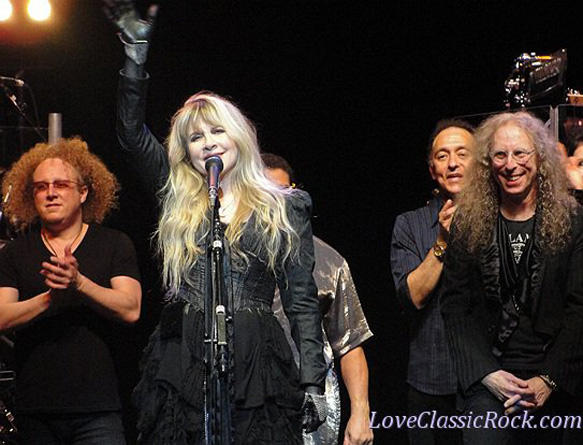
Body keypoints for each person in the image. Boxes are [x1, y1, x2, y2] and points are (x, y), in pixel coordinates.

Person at [104, 1, 327, 443]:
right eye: (196, 137)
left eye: (217, 132)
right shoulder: (177, 193)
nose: (208, 144)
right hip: (183, 351)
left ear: (238, 137)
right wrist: (134, 58)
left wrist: (312, 382)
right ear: (185, 150)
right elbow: (130, 137)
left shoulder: (285, 206)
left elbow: (301, 299)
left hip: (255, 357)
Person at [440, 111, 583, 444]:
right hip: (490, 378)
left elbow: (580, 307)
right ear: (488, 163)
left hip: (554, 377)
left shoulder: (574, 221)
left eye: (520, 153)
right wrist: (487, 374)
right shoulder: (469, 223)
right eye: (500, 155)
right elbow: (455, 308)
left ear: (539, 158)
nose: (510, 164)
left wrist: (548, 379)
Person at [0, 137, 142, 444]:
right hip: (36, 410)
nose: (50, 193)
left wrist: (79, 284)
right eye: (41, 186)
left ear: (83, 192)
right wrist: (50, 299)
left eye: (61, 184)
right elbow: (1, 316)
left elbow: (131, 309)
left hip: (98, 410)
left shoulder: (114, 244)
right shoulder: (14, 253)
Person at [262, 153, 374, 445]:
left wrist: (360, 412)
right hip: (252, 398)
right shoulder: (234, 258)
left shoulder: (329, 261)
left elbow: (349, 342)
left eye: (284, 194)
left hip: (312, 403)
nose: (277, 204)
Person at [390, 119, 475, 445]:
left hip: (489, 381)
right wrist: (442, 240)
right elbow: (412, 296)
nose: (453, 163)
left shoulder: (502, 217)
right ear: (432, 169)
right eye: (442, 156)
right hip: (429, 382)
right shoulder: (410, 224)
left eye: (462, 154)